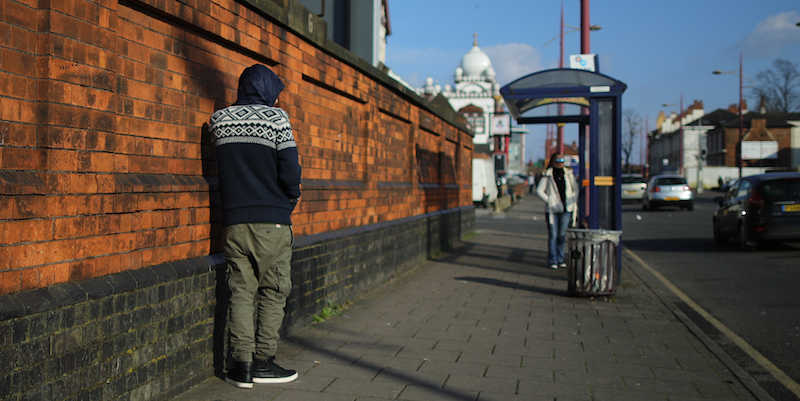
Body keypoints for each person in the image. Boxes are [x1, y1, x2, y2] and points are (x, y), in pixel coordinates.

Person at [209, 64, 302, 388]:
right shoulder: (278, 120)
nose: (277, 101)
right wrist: (291, 199)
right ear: (266, 91)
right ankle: (264, 362)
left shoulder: (218, 121)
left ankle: (242, 368)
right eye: (275, 94)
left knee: (241, 294)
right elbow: (290, 172)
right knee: (274, 292)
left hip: (234, 222)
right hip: (272, 222)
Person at [536, 153, 579, 269]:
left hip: (566, 208)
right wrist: (549, 200)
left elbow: (575, 188)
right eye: (557, 160)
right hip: (552, 210)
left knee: (562, 234)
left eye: (562, 160)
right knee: (553, 235)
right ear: (552, 161)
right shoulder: (548, 175)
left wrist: (572, 199)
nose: (560, 162)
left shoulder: (569, 174)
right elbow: (539, 190)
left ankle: (560, 259)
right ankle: (552, 260)